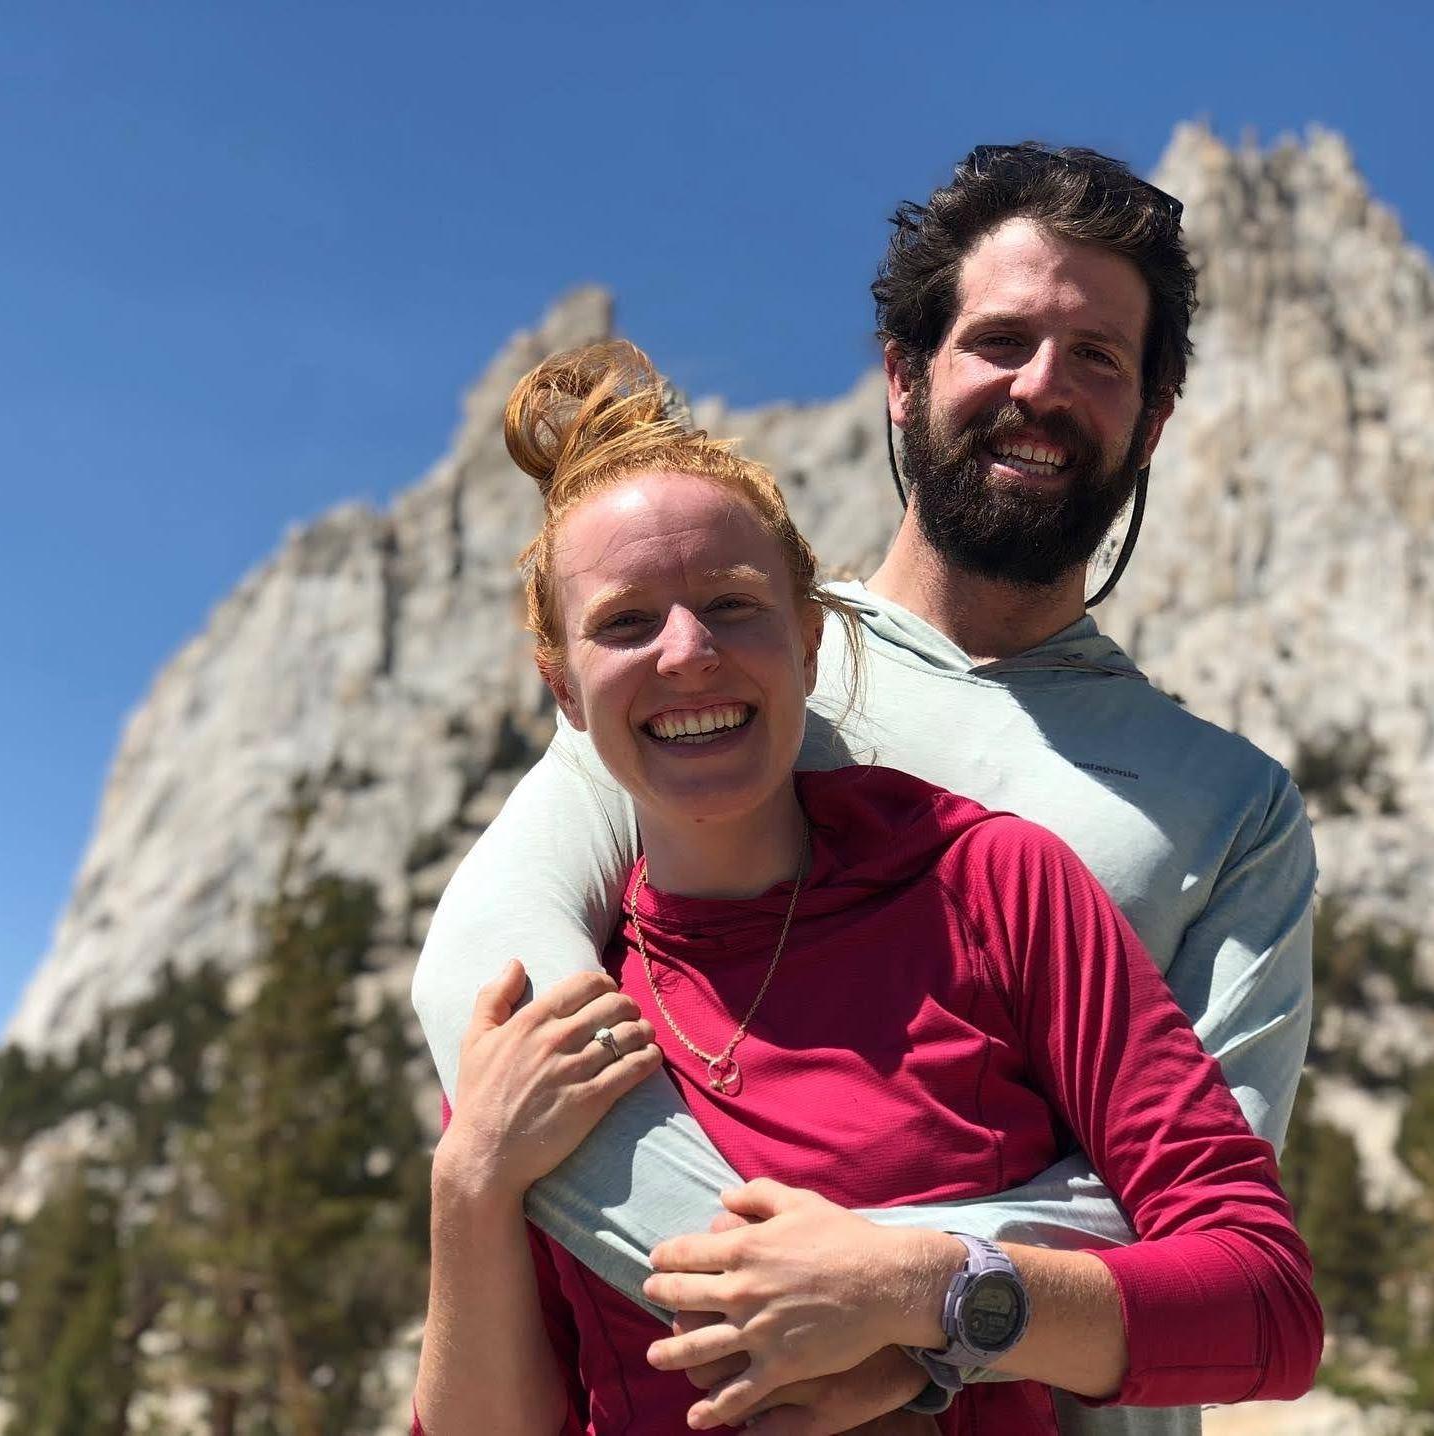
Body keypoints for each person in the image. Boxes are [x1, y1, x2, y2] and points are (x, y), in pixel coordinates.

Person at [412, 144, 1318, 1435]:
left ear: (1155, 418)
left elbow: (1209, 1242)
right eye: (998, 340)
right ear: (902, 375)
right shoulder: (711, 681)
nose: (1042, 386)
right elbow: (484, 970)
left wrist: (912, 1317)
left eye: (1099, 357)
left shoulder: (1227, 812)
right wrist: (756, 1295)